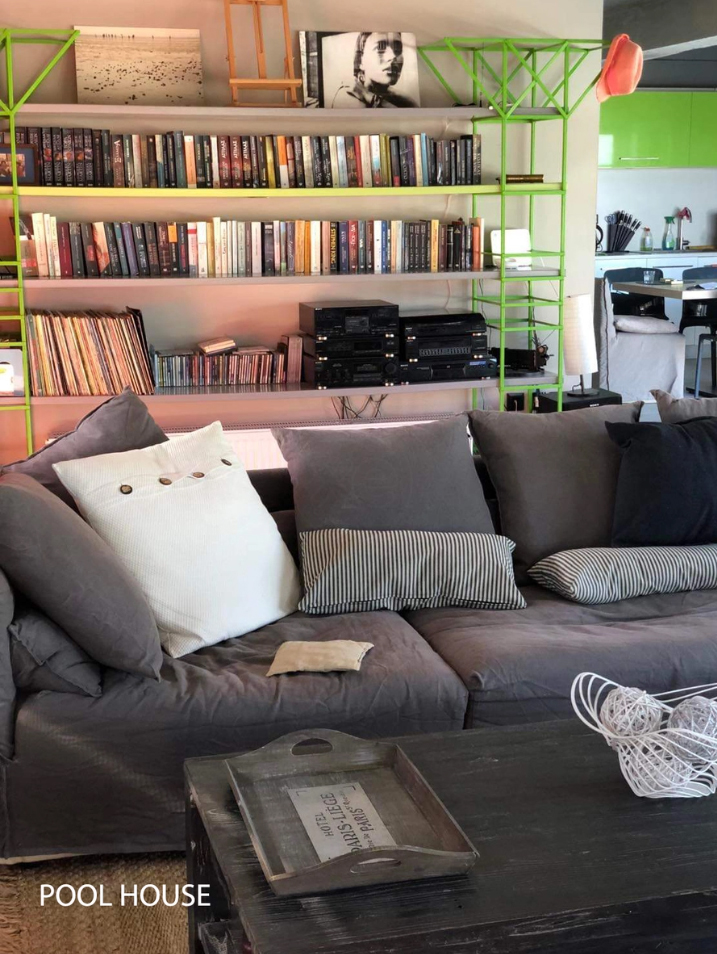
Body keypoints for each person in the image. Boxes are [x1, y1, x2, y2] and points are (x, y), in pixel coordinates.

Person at [331, 32, 417, 108]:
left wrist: (369, 96)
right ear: (360, 61)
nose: (392, 56)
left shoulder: (405, 101)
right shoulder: (347, 99)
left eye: (398, 49)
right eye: (379, 48)